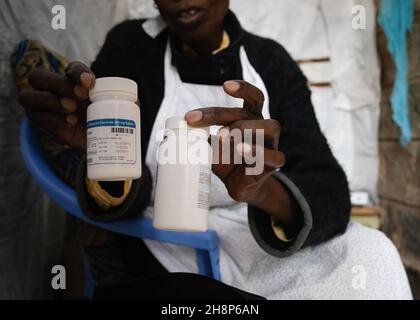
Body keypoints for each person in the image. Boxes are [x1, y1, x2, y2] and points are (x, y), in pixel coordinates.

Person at [18, 0, 412, 299]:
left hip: (255, 234)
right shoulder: (131, 46)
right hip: (165, 240)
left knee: (371, 253)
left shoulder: (271, 62)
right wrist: (107, 159)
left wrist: (263, 190)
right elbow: (123, 181)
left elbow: (327, 186)